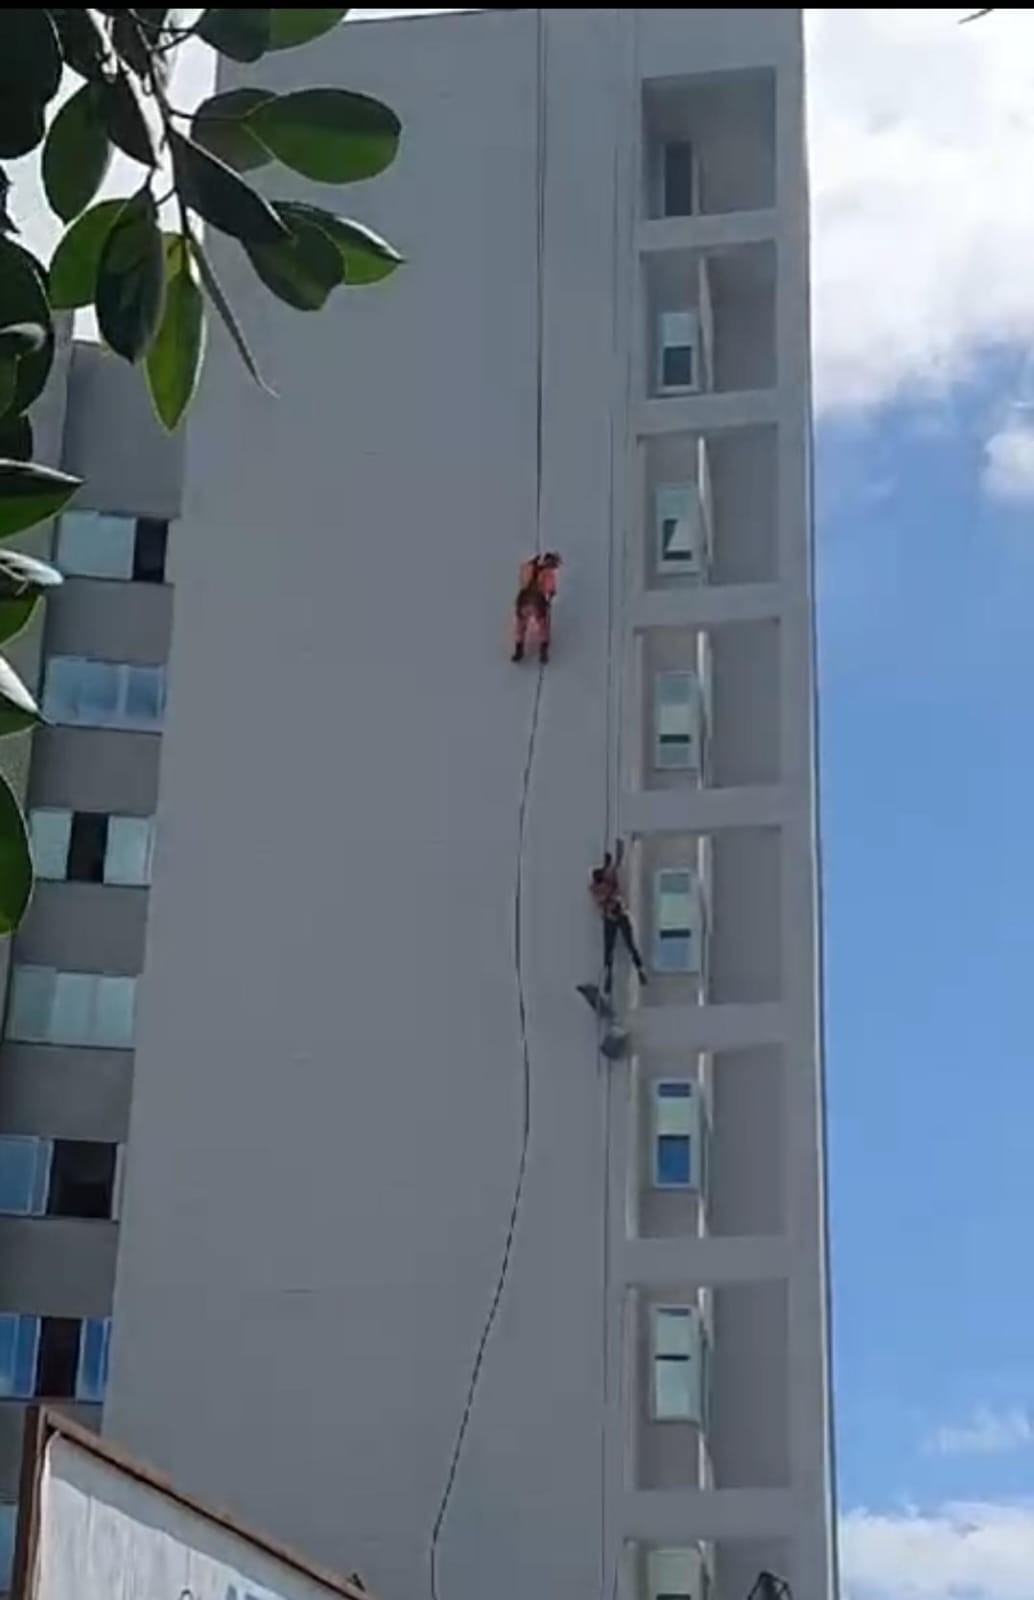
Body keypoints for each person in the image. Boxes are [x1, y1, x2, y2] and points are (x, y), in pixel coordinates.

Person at [589, 838, 647, 996]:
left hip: (615, 917)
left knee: (618, 948)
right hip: (614, 917)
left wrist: (618, 853)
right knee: (620, 947)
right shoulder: (600, 888)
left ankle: (632, 971)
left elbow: (614, 867)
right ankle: (616, 975)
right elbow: (606, 897)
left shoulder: (605, 883)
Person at [511, 551, 561, 664]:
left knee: (521, 625)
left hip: (523, 600)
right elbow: (550, 588)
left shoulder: (527, 566)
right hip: (538, 601)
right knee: (543, 625)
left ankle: (519, 648)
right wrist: (551, 593)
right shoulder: (548, 573)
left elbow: (522, 578)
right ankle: (543, 650)